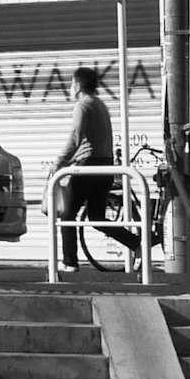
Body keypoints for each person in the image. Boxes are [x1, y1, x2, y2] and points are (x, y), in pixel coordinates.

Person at [54, 65, 120, 262]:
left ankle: (70, 262)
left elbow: (76, 137)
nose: (70, 87)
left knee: (67, 216)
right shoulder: (100, 104)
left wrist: (59, 161)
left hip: (89, 167)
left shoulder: (83, 106)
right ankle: (135, 243)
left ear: (77, 85)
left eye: (71, 83)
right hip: (106, 166)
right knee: (97, 218)